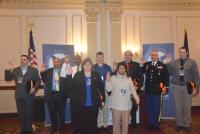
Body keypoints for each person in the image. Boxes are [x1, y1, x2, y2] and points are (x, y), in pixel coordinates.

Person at [166, 47, 200, 132]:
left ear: (187, 52)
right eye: (180, 52)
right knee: (178, 106)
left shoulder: (192, 62)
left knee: (187, 106)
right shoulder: (174, 62)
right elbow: (169, 73)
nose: (182, 54)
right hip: (176, 86)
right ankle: (179, 124)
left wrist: (196, 88)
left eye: (183, 52)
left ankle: (186, 124)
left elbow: (196, 76)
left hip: (187, 86)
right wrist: (168, 64)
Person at [5, 55, 41, 134]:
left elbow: (38, 81)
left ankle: (29, 130)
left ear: (28, 61)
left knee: (29, 113)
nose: (22, 61)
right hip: (19, 95)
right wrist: (7, 70)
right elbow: (7, 79)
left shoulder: (33, 70)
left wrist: (34, 88)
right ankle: (23, 130)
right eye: (21, 59)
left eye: (24, 59)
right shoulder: (15, 70)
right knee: (21, 114)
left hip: (29, 95)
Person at [70, 58, 105, 134]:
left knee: (93, 124)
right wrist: (76, 99)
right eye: (85, 64)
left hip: (94, 104)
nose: (87, 66)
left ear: (91, 66)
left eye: (89, 64)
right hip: (81, 105)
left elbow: (101, 88)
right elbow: (71, 87)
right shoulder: (78, 75)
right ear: (83, 66)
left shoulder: (96, 75)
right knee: (83, 124)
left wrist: (103, 100)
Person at [105, 63, 139, 134]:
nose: (121, 70)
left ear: (125, 69)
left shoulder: (129, 79)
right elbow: (108, 89)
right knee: (116, 125)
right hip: (116, 106)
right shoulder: (113, 78)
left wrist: (137, 99)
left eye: (123, 68)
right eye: (120, 68)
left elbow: (133, 90)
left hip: (127, 106)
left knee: (125, 125)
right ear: (117, 69)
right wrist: (107, 80)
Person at [40, 57, 71, 134]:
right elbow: (44, 80)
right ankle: (54, 127)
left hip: (61, 95)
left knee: (62, 114)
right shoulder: (48, 71)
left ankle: (61, 128)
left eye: (57, 61)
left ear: (60, 62)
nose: (56, 63)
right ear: (53, 63)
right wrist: (42, 72)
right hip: (51, 95)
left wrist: (68, 95)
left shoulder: (64, 71)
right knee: (52, 113)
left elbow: (67, 84)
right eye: (54, 62)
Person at [114, 50, 143, 130]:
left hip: (133, 90)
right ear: (124, 56)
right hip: (121, 92)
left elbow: (141, 78)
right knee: (121, 110)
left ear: (131, 56)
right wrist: (113, 70)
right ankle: (121, 127)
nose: (127, 57)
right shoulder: (119, 65)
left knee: (133, 109)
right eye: (126, 55)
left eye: (129, 55)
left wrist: (138, 87)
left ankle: (133, 126)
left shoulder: (136, 65)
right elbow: (115, 77)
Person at [140, 49, 169, 130]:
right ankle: (151, 123)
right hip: (148, 91)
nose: (153, 56)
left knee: (157, 109)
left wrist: (165, 88)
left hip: (157, 91)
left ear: (158, 56)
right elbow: (140, 73)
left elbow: (166, 78)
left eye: (155, 55)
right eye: (152, 55)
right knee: (149, 108)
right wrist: (141, 65)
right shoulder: (147, 64)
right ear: (150, 56)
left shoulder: (162, 65)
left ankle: (156, 124)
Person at [93, 52, 112, 134]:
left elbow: (110, 80)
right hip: (96, 90)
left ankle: (105, 125)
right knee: (97, 109)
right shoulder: (93, 67)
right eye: (98, 57)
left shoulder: (108, 67)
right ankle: (98, 125)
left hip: (104, 90)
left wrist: (109, 79)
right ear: (96, 58)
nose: (100, 58)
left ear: (103, 58)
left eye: (101, 57)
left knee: (105, 108)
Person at [70, 54, 82, 134]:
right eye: (76, 59)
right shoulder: (71, 69)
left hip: (82, 95)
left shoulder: (84, 69)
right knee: (74, 112)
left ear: (81, 60)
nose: (77, 60)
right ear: (74, 60)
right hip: (73, 95)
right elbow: (68, 82)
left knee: (81, 112)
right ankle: (75, 128)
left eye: (79, 59)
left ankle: (81, 127)